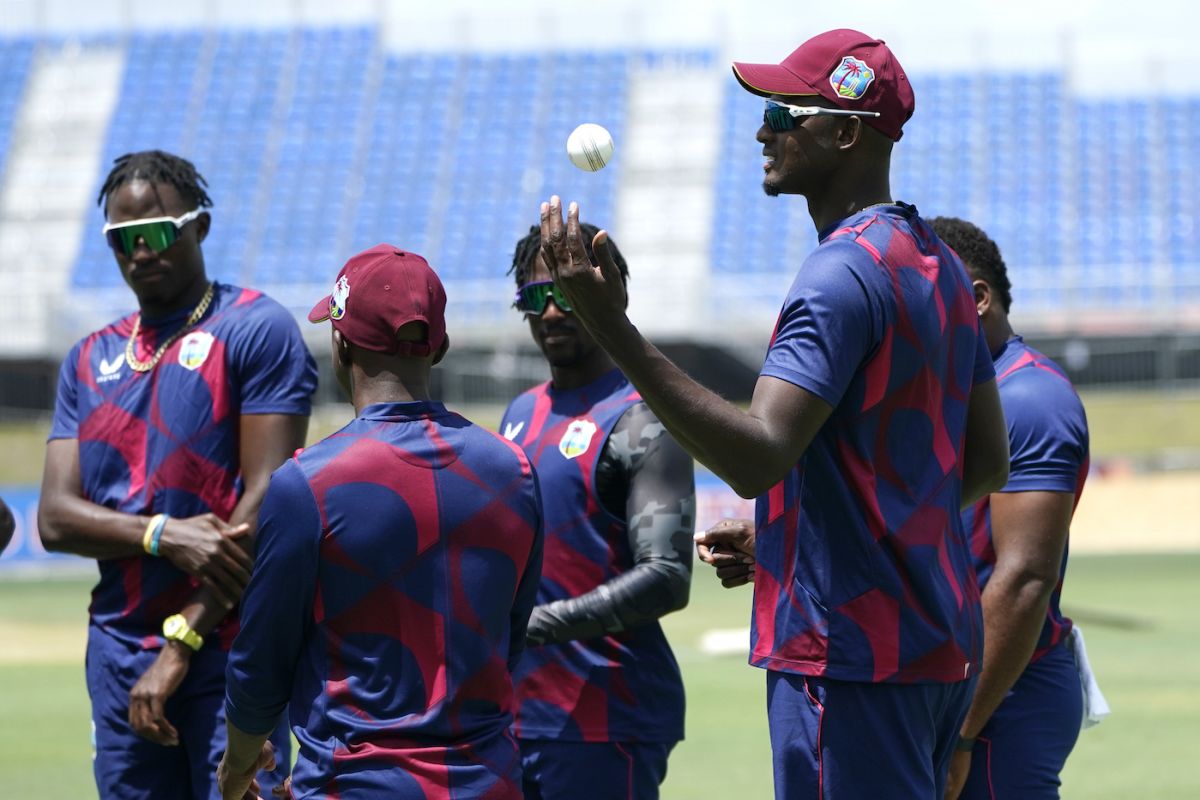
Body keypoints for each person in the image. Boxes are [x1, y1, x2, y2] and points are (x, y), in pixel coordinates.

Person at [537, 28, 1012, 799]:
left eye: (784, 113)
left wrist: (613, 329)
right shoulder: (935, 263)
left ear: (846, 131)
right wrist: (797, 538)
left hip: (848, 658)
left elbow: (757, 456)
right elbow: (985, 461)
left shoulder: (836, 274)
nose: (763, 129)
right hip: (936, 644)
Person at [218, 244, 544, 800]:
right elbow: (510, 638)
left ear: (340, 343)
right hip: (489, 781)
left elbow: (261, 664)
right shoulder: (515, 470)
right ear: (437, 348)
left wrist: (237, 767)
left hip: (357, 784)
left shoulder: (307, 484)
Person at [37, 150, 314, 799]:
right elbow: (54, 517)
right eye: (122, 239)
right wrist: (162, 534)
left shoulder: (255, 328)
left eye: (157, 232)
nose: (140, 251)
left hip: (229, 647)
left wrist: (181, 642)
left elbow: (266, 501)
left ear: (200, 227)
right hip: (118, 651)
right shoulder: (88, 358)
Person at [501, 225, 695, 799]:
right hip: (510, 717)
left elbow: (666, 577)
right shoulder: (518, 412)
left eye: (569, 291)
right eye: (538, 296)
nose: (554, 310)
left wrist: (531, 626)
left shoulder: (643, 417)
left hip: (605, 720)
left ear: (611, 294)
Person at [930, 217, 1091, 800]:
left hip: (998, 697)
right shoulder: (959, 391)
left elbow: (1023, 579)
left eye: (924, 289)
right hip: (950, 688)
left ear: (975, 299)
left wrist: (963, 735)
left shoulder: (1030, 399)